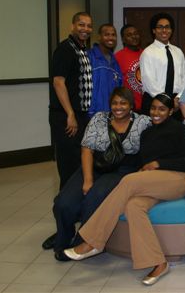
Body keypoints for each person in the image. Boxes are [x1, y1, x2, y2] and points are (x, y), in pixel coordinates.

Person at [63, 93, 185, 286]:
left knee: (128, 181)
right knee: (133, 206)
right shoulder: (147, 133)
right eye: (153, 108)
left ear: (170, 111)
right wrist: (145, 168)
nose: (156, 113)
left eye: (162, 109)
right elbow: (143, 160)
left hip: (178, 180)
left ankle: (93, 241)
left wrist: (158, 163)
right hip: (153, 182)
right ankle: (159, 263)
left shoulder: (179, 130)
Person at [52, 88, 150, 261]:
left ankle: (81, 243)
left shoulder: (143, 122)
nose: (118, 107)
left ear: (131, 105)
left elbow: (158, 138)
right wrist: (88, 180)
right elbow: (86, 149)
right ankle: (63, 238)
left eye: (123, 103)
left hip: (122, 170)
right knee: (63, 202)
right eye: (114, 103)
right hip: (95, 165)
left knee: (94, 198)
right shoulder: (98, 119)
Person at [43, 11, 93, 250]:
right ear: (72, 25)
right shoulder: (65, 49)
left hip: (78, 116)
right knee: (68, 171)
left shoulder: (81, 49)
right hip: (67, 118)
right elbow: (58, 82)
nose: (85, 29)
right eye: (81, 24)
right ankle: (63, 228)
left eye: (88, 26)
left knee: (77, 169)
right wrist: (70, 114)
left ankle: (74, 218)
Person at [139, 12, 185, 115]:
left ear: (171, 30)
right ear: (154, 30)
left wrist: (178, 98)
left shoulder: (178, 52)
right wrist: (166, 101)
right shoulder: (148, 53)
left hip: (176, 103)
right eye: (160, 27)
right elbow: (149, 82)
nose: (164, 30)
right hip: (154, 101)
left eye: (167, 27)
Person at [88, 23, 122, 117]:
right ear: (99, 37)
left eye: (113, 35)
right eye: (106, 34)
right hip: (91, 114)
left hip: (111, 115)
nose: (110, 38)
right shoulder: (89, 56)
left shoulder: (115, 63)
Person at [115, 24, 143, 111]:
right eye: (129, 35)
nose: (134, 37)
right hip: (129, 106)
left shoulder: (146, 54)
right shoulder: (118, 57)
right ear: (123, 39)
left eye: (135, 33)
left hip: (147, 105)